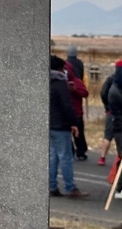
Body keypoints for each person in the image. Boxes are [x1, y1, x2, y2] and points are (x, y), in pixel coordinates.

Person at [50, 54, 88, 198]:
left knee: (52, 156)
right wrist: (73, 122)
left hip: (50, 125)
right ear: (60, 69)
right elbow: (67, 105)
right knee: (65, 157)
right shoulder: (60, 83)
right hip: (61, 125)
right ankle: (70, 187)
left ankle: (52, 185)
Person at [65, 54, 89, 161]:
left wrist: (75, 90)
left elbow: (85, 93)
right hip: (65, 113)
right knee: (66, 135)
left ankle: (81, 151)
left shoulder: (77, 81)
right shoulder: (60, 81)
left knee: (79, 134)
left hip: (77, 113)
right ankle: (70, 151)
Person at [101, 62, 122, 167]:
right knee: (108, 135)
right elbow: (104, 93)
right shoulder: (116, 89)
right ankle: (102, 156)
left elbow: (103, 92)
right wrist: (107, 107)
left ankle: (102, 156)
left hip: (112, 113)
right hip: (116, 118)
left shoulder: (111, 80)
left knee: (108, 135)